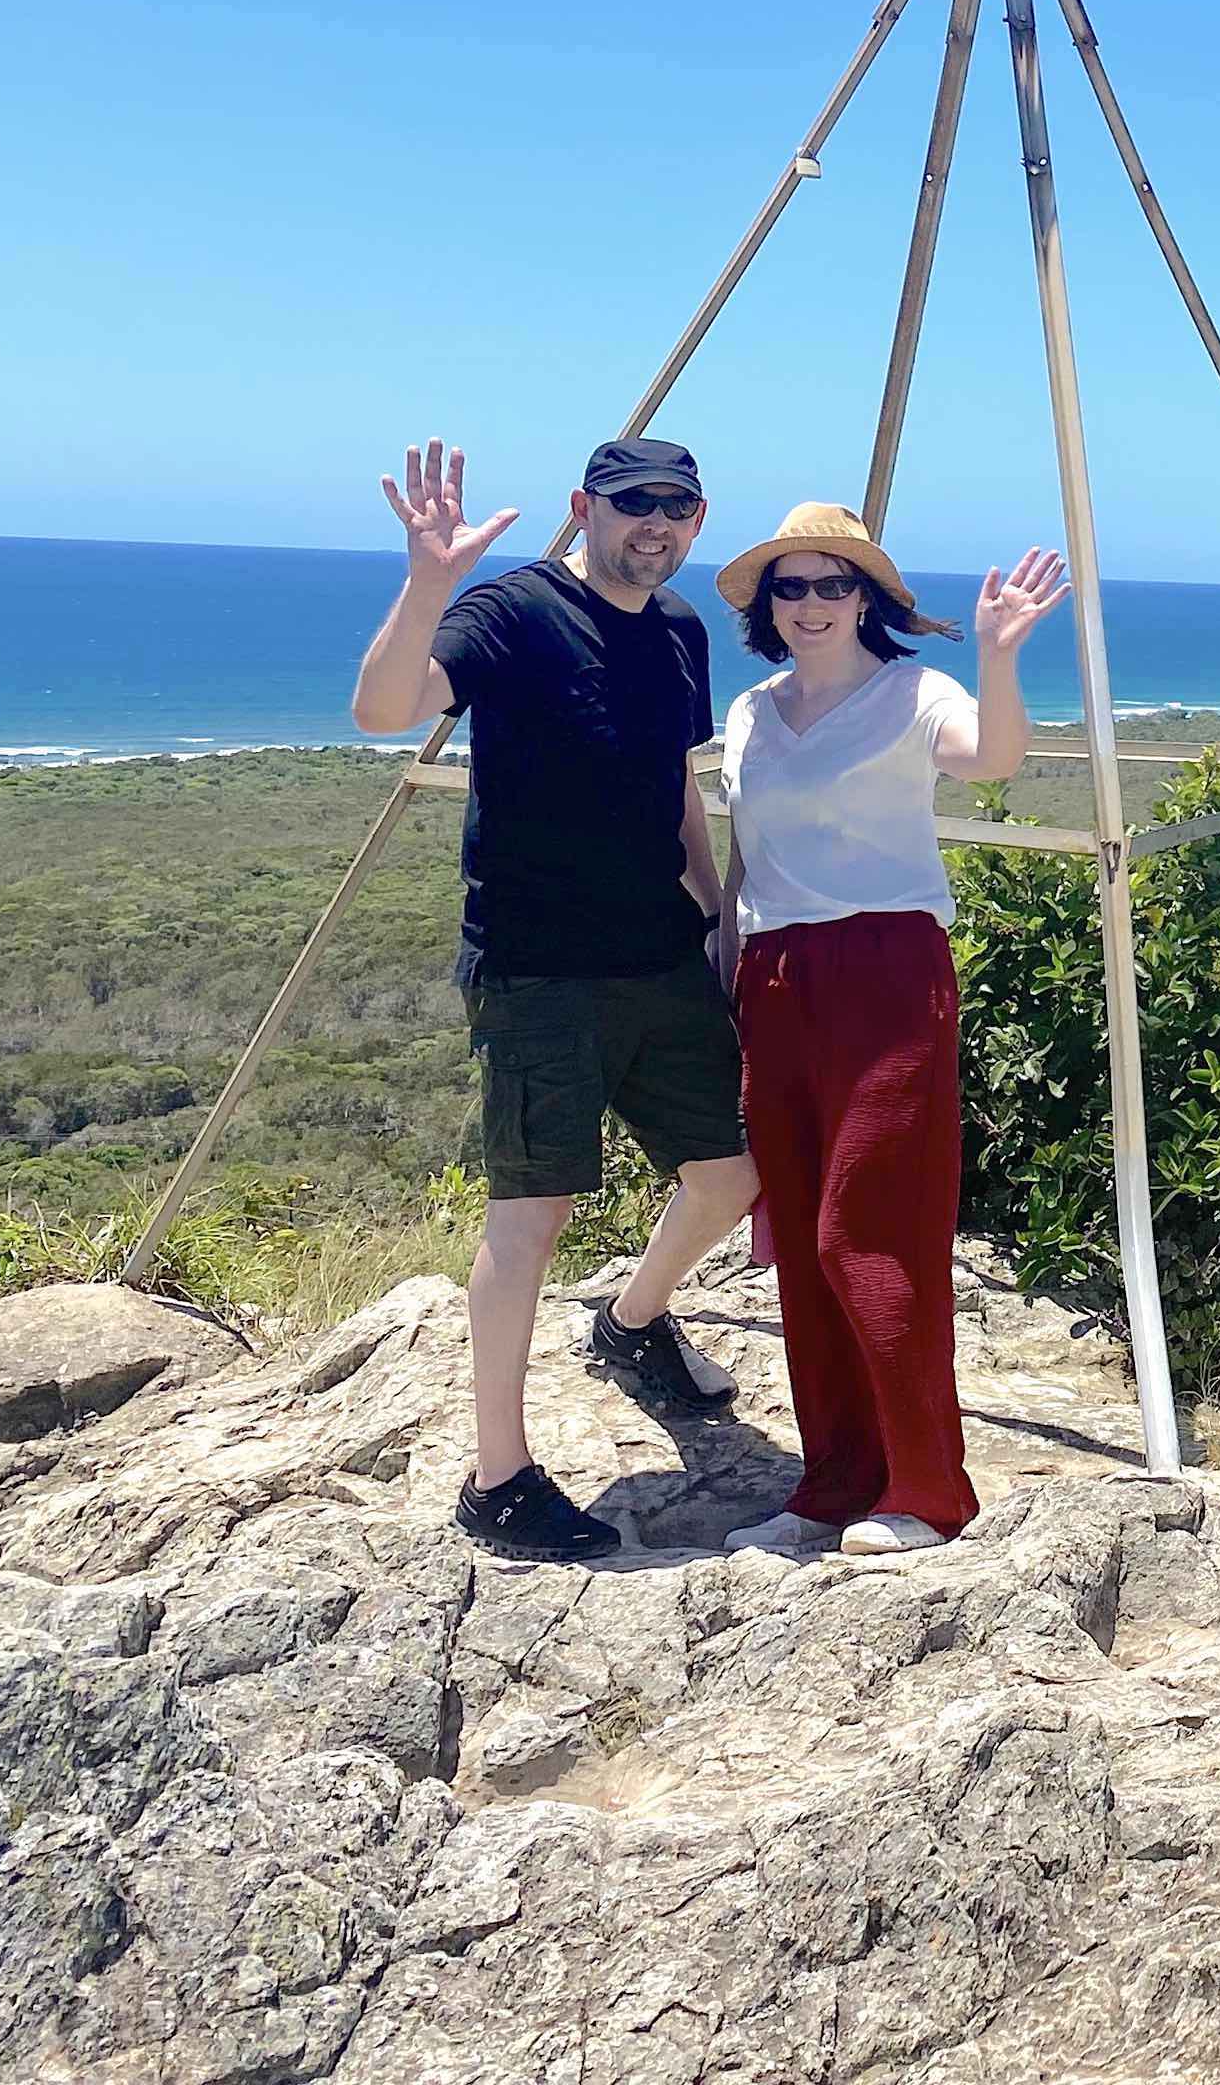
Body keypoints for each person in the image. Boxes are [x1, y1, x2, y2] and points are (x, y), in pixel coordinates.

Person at [353, 437, 765, 1562]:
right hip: (539, 967)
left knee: (732, 1173)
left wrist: (717, 907)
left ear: (697, 515)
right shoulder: (513, 610)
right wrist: (428, 577)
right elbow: (385, 709)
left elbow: (673, 780)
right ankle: (500, 1479)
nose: (656, 525)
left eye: (676, 507)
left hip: (661, 955)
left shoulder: (679, 630)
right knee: (530, 1218)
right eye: (634, 505)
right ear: (586, 507)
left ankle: (632, 1324)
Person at [706, 501, 1065, 1558]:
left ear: (870, 597)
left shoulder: (915, 693)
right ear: (768, 604)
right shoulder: (752, 712)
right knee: (804, 1254)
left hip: (887, 973)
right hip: (774, 981)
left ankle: (927, 1490)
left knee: (863, 1229)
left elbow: (991, 758)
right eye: (792, 586)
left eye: (834, 584)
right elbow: (743, 861)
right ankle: (835, 1485)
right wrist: (724, 975)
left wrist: (1000, 655)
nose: (811, 604)